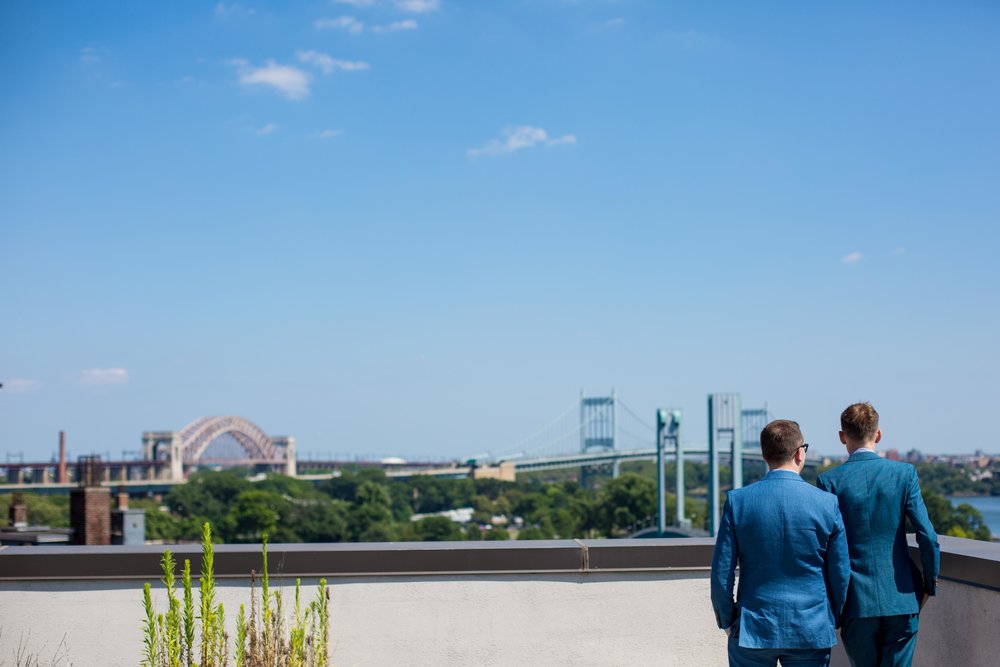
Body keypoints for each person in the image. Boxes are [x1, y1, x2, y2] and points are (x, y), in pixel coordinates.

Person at [712, 419, 850, 667]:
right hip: (810, 627)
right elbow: (840, 572)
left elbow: (722, 572)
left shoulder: (738, 501)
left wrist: (728, 619)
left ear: (764, 456)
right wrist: (831, 617)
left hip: (752, 626)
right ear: (800, 454)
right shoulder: (827, 503)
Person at [816, 402, 940, 667]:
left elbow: (827, 548)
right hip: (902, 598)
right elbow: (927, 536)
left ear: (842, 437)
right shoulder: (903, 474)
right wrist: (929, 584)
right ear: (879, 434)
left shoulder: (829, 481)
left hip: (856, 602)